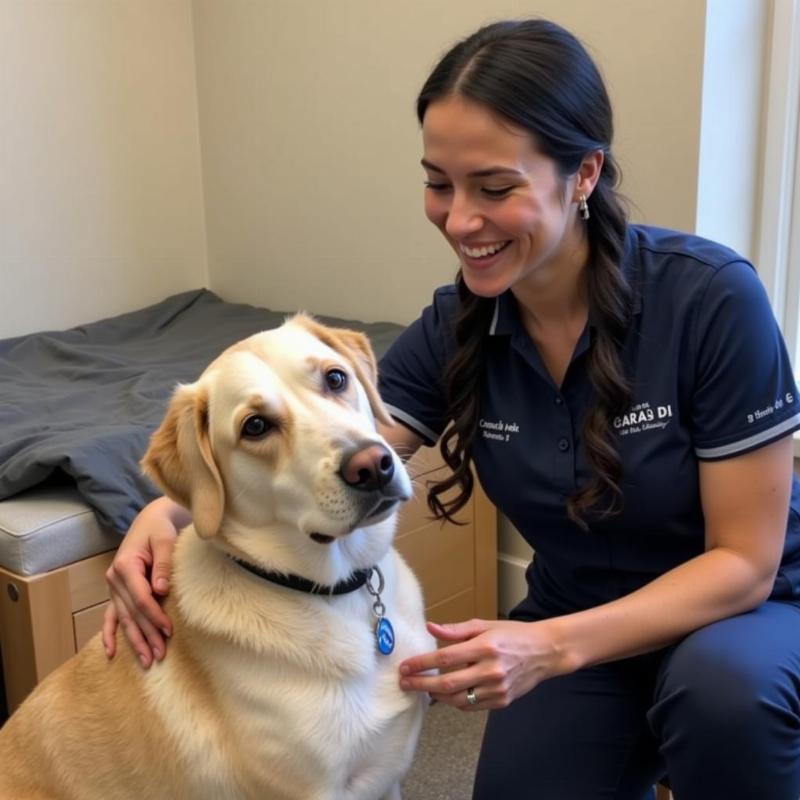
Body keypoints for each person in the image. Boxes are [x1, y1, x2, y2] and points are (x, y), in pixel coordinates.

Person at [103, 18, 800, 800]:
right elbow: (344, 452)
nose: (460, 220)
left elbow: (744, 564)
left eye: (495, 188)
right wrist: (157, 519)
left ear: (584, 174)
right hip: (574, 611)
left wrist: (550, 648)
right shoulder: (458, 324)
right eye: (439, 183)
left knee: (726, 698)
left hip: (743, 616)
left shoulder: (709, 298)